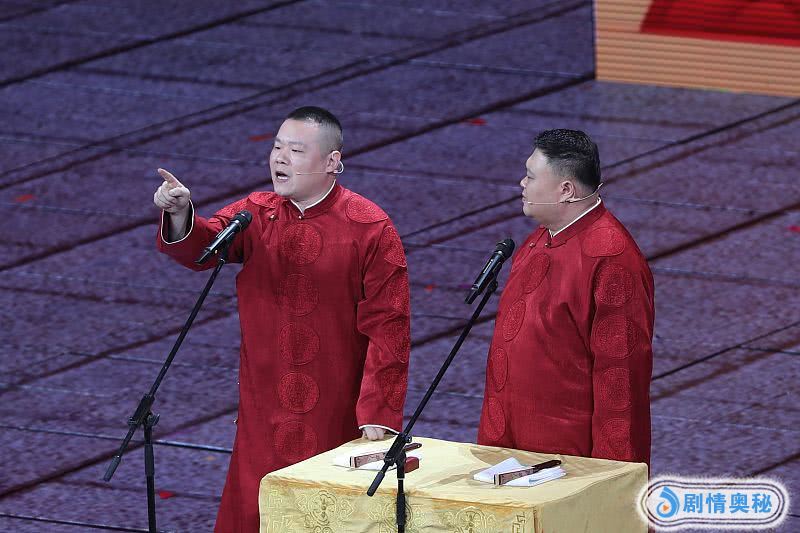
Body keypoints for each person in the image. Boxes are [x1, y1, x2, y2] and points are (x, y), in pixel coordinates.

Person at [153, 106, 410, 532]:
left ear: (332, 161)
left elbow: (390, 327)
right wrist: (181, 213)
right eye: (276, 148)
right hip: (263, 404)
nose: (280, 158)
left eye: (296, 150)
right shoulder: (255, 212)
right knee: (254, 508)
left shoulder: (370, 227)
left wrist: (378, 412)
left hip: (336, 408)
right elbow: (204, 248)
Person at [478, 129, 654, 465]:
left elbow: (621, 380)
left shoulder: (613, 260)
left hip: (567, 459)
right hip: (511, 445)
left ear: (566, 190)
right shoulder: (537, 240)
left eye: (531, 176)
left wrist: (610, 475)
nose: (522, 183)